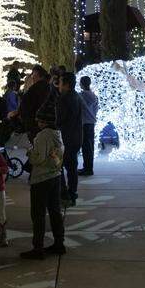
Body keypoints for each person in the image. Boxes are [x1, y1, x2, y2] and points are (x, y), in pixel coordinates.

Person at [19, 108, 65, 260]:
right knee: (55, 211)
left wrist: (30, 153)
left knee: (38, 214)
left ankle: (37, 248)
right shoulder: (57, 133)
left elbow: (38, 159)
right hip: (55, 176)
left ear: (44, 121)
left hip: (41, 179)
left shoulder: (42, 136)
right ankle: (59, 243)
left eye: (39, 120)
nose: (37, 122)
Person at [55, 73, 84, 206]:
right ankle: (72, 193)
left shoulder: (64, 99)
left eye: (60, 82)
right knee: (72, 168)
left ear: (66, 84)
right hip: (76, 137)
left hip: (66, 138)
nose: (58, 85)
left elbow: (60, 120)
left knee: (59, 166)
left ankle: (64, 194)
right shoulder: (77, 96)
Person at [77, 76, 99, 177]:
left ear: (81, 84)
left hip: (84, 123)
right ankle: (88, 167)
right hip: (91, 123)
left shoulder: (81, 95)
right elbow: (96, 110)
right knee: (89, 147)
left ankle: (88, 169)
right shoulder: (94, 95)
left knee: (86, 147)